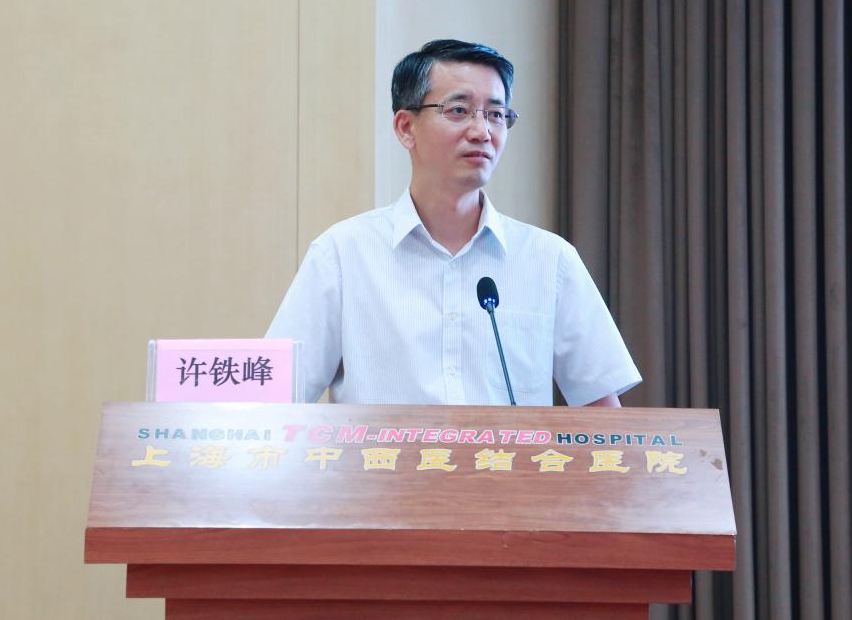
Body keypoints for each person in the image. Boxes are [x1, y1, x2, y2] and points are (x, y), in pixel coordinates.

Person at [266, 39, 641, 406]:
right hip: (386, 453)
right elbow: (272, 402)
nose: (483, 131)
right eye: (459, 110)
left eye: (496, 114)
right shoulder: (342, 255)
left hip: (508, 453)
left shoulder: (550, 260)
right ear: (406, 127)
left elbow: (603, 419)